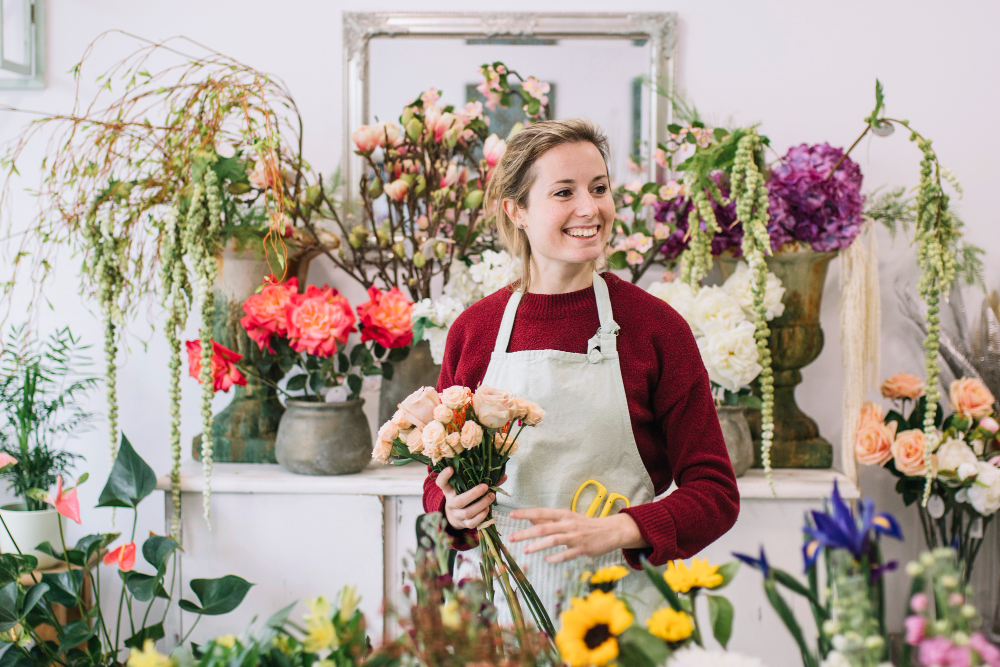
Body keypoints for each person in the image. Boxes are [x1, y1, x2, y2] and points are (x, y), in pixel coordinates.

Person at [422, 118, 739, 617]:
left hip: (622, 608)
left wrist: (621, 529)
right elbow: (438, 478)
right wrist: (451, 509)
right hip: (497, 608)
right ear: (517, 211)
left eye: (599, 188)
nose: (590, 208)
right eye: (564, 192)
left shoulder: (656, 329)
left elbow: (715, 492)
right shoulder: (475, 330)